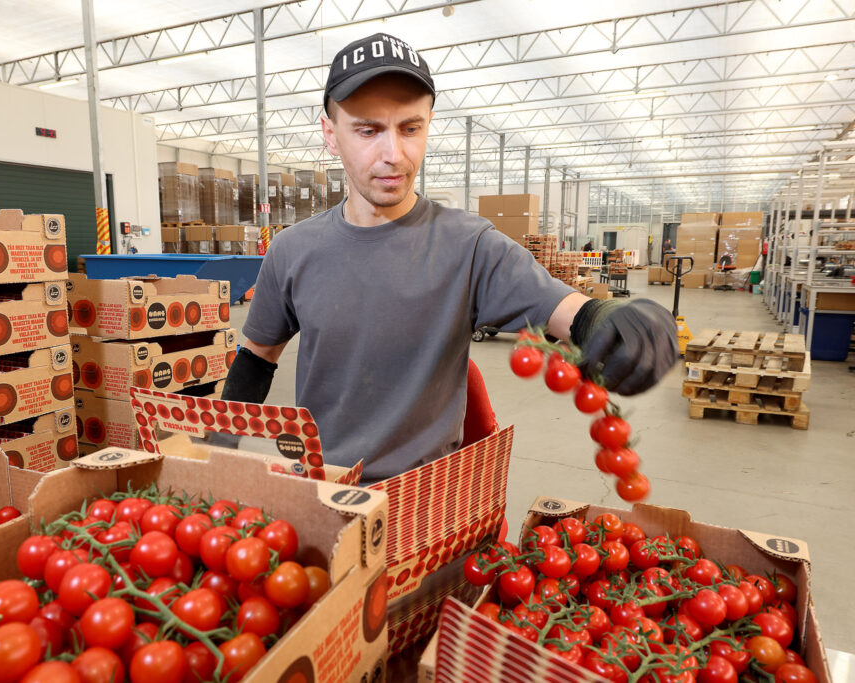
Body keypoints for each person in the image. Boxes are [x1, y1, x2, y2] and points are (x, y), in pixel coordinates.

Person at [222, 33, 677, 483]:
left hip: (426, 504)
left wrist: (609, 318)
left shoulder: (470, 245)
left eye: (410, 128)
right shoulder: (293, 249)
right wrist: (213, 447)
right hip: (324, 489)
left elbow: (570, 312)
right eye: (368, 130)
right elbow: (258, 359)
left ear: (428, 125)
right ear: (330, 134)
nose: (393, 154)